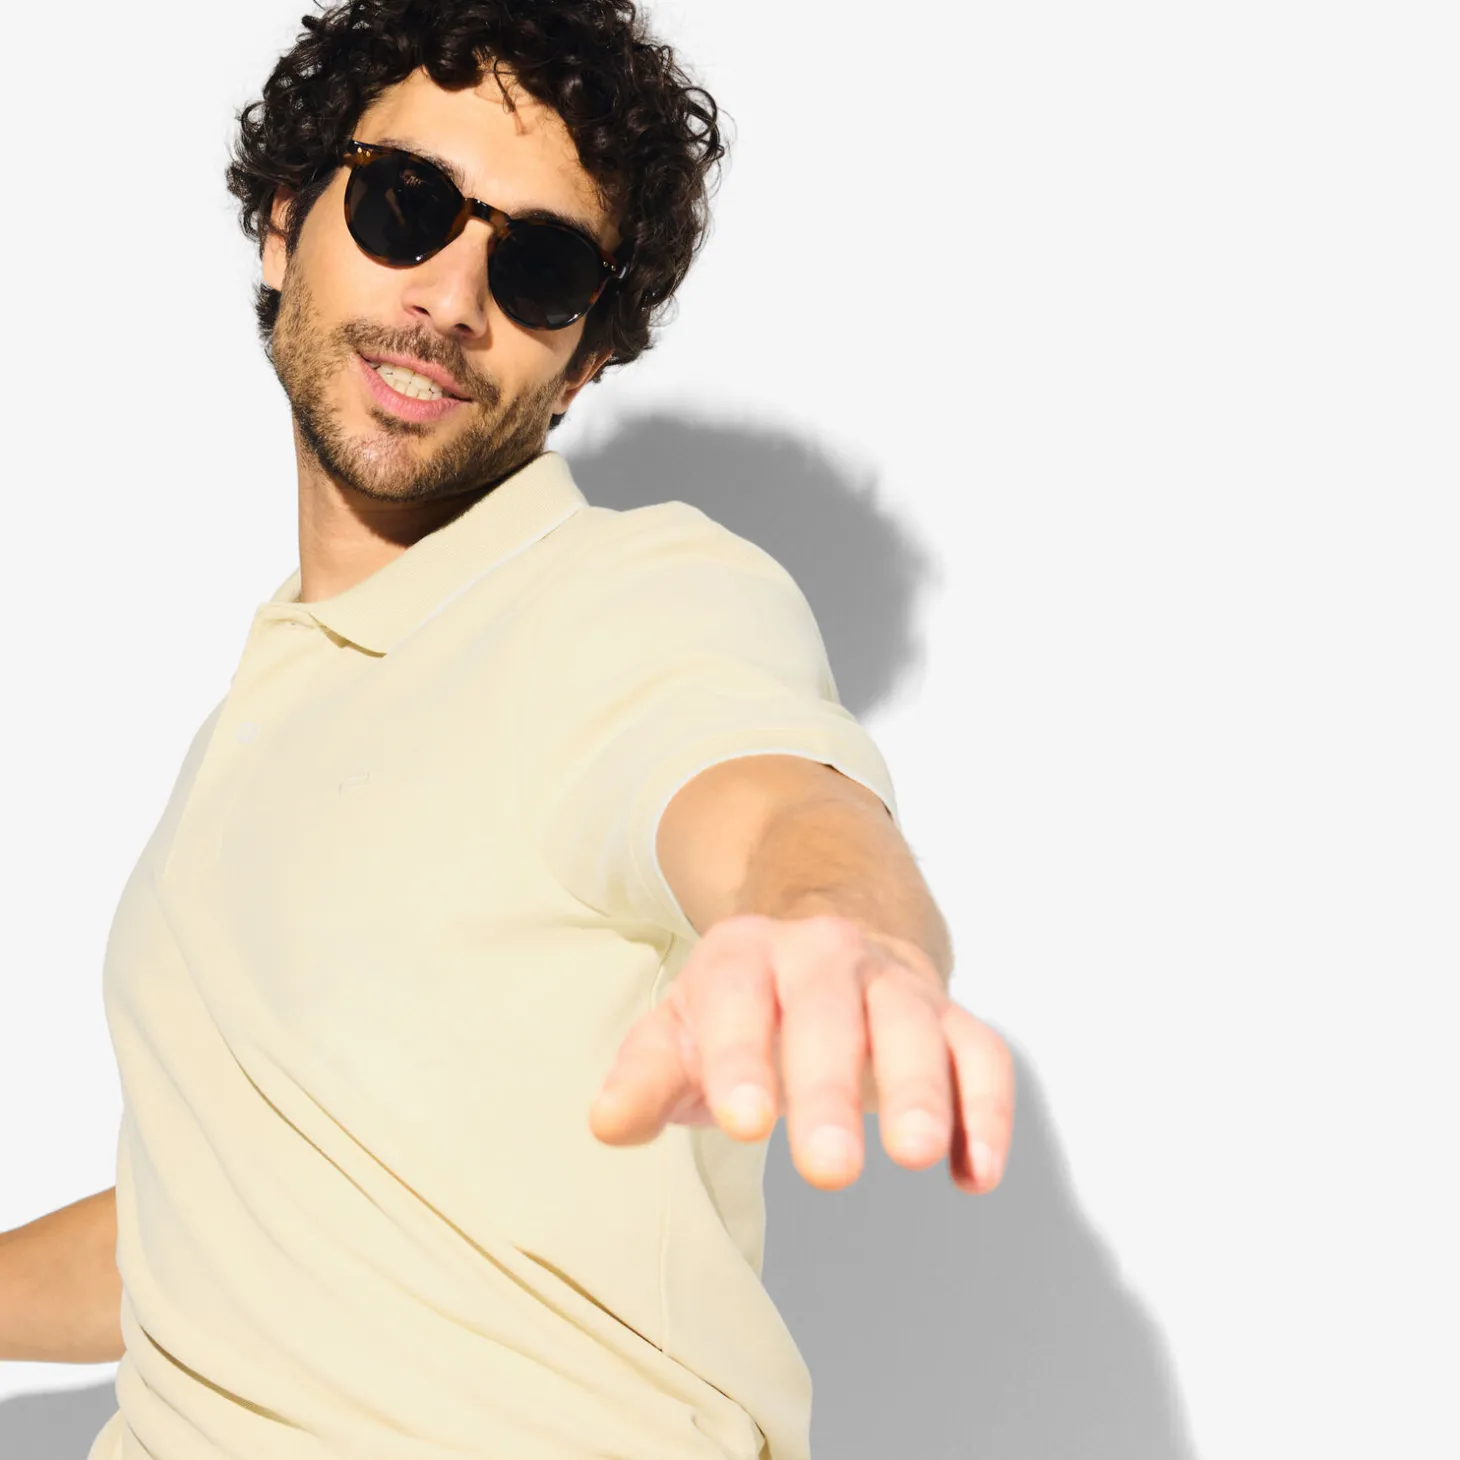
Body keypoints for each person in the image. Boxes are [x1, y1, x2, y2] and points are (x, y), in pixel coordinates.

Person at [0, 2, 1015, 1456]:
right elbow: (202, 1231)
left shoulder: (630, 597)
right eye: (406, 206)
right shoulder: (262, 714)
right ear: (284, 223)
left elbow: (771, 807)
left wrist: (831, 928)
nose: (455, 296)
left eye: (540, 268)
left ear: (583, 360)